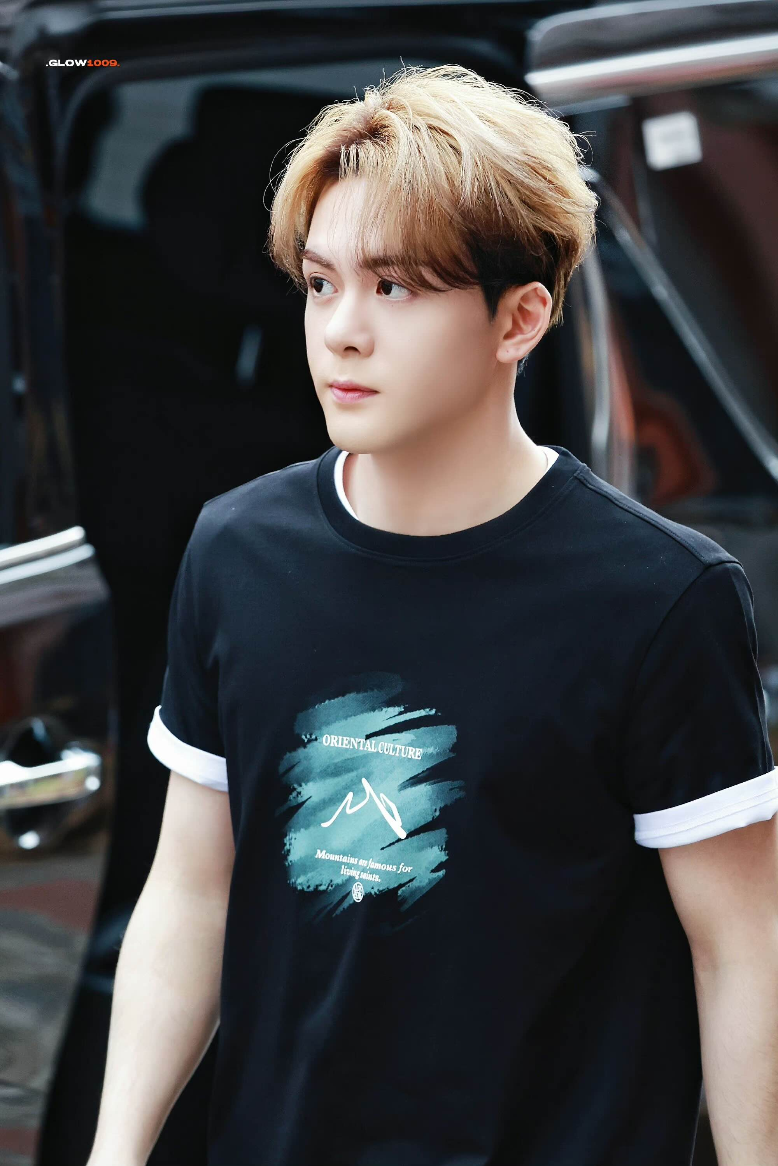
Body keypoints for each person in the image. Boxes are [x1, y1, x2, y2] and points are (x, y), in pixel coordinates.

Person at [87, 65, 778, 1166]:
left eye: (396, 287)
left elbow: (740, 950)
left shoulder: (657, 598)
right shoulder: (236, 551)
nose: (341, 331)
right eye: (321, 282)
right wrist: (114, 1152)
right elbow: (191, 891)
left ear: (520, 318)